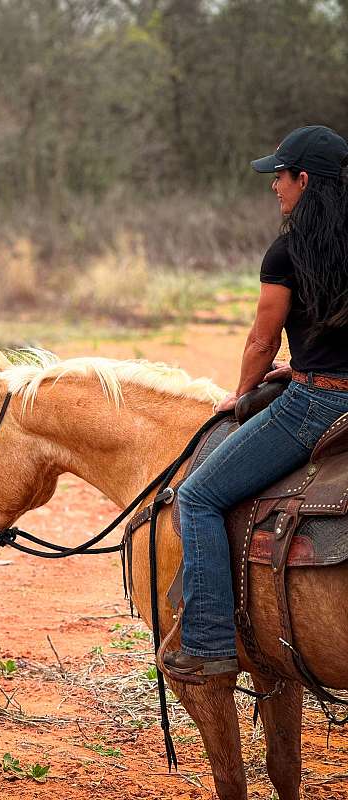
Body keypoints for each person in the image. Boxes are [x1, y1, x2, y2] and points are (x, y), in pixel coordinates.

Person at [164, 125, 348, 680]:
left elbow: (262, 341)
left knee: (196, 497)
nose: (274, 186)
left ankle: (208, 641)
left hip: (315, 407)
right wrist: (315, 358)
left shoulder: (288, 251)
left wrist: (241, 393)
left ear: (304, 180)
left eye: (280, 175)